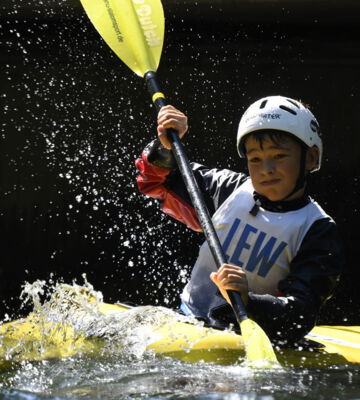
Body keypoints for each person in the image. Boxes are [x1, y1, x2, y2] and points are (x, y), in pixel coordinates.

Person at [135, 96, 344, 345]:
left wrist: (248, 300)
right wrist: (166, 147)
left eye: (278, 156)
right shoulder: (226, 189)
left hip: (248, 339)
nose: (266, 168)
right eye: (255, 158)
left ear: (310, 158)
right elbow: (155, 182)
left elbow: (300, 315)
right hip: (187, 321)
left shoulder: (317, 231)